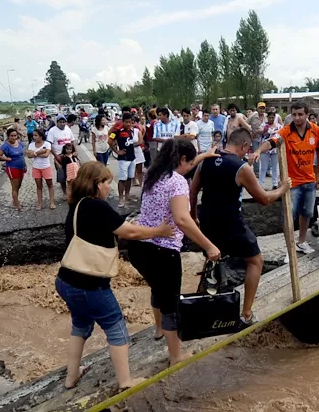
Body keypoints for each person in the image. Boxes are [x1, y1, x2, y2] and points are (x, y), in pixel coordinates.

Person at [56, 161, 174, 390]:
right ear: (96, 184)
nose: (109, 187)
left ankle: (71, 377)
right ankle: (125, 382)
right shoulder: (97, 206)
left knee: (80, 325)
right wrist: (160, 231)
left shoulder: (77, 205)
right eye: (107, 182)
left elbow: (103, 231)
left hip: (66, 281)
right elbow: (129, 232)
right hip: (90, 284)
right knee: (116, 327)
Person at [129, 139, 221, 365]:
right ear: (181, 160)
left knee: (157, 288)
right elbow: (182, 219)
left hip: (139, 247)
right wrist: (208, 245)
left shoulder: (153, 173)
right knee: (170, 303)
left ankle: (159, 330)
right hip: (162, 251)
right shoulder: (178, 182)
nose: (191, 168)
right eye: (190, 162)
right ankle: (176, 357)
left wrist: (202, 156)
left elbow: (185, 165)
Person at [190, 127, 289, 326]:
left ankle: (201, 307)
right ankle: (246, 313)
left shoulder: (206, 161)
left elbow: (192, 192)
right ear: (244, 145)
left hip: (207, 221)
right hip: (231, 223)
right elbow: (264, 199)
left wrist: (194, 217)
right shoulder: (241, 167)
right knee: (255, 260)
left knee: (212, 258)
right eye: (247, 148)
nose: (247, 152)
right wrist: (283, 188)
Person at [253, 102, 319, 254]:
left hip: (310, 181)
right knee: (289, 217)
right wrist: (258, 150)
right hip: (291, 183)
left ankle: (301, 242)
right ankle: (290, 249)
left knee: (307, 214)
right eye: (294, 114)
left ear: (307, 114)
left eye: (300, 114)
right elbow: (271, 142)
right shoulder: (286, 132)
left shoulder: (315, 130)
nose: (297, 118)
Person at [109, 113, 138, 206]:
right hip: (123, 159)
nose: (128, 124)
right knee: (122, 179)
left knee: (130, 178)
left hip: (132, 157)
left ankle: (127, 196)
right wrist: (117, 151)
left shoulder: (131, 130)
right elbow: (109, 141)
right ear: (123, 121)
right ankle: (121, 198)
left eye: (130, 122)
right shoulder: (116, 131)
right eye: (126, 122)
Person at [0, 128, 26, 211]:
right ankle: (17, 205)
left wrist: (25, 165)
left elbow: (21, 155)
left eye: (15, 135)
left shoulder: (19, 143)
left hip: (21, 167)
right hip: (12, 168)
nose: (13, 137)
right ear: (8, 136)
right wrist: (7, 159)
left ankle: (15, 201)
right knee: (14, 187)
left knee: (18, 186)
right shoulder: (5, 146)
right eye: (11, 136)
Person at [26, 128, 57, 210]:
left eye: (36, 135)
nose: (34, 137)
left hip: (46, 167)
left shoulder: (47, 144)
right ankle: (39, 204)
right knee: (39, 186)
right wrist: (39, 152)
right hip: (36, 167)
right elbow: (29, 156)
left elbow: (46, 155)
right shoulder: (31, 145)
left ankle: (52, 202)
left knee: (50, 184)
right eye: (33, 135)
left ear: (41, 136)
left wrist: (34, 153)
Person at [132, 116, 146, 186]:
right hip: (130, 153)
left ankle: (141, 185)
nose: (131, 124)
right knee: (132, 170)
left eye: (132, 122)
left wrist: (131, 145)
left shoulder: (137, 131)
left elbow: (141, 141)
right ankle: (134, 180)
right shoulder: (123, 131)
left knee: (139, 170)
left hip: (138, 152)